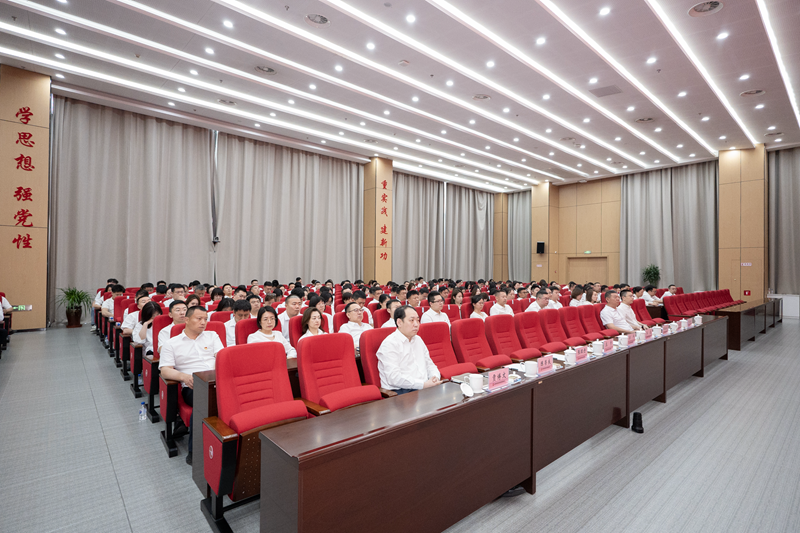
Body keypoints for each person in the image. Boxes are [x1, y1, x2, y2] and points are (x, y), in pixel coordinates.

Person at [159, 305, 225, 465]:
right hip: (193, 385)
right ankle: (195, 452)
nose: (203, 322)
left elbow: (222, 358)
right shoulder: (172, 343)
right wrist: (183, 377)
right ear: (187, 319)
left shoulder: (212, 335)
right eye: (199, 318)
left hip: (217, 381)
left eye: (205, 319)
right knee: (204, 403)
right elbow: (165, 370)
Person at [376, 306, 442, 395]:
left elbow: (429, 364)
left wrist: (435, 377)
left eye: (418, 320)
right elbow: (394, 378)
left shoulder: (418, 339)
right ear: (399, 322)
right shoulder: (389, 344)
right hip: (401, 392)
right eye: (411, 320)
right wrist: (423, 385)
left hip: (424, 387)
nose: (416, 324)